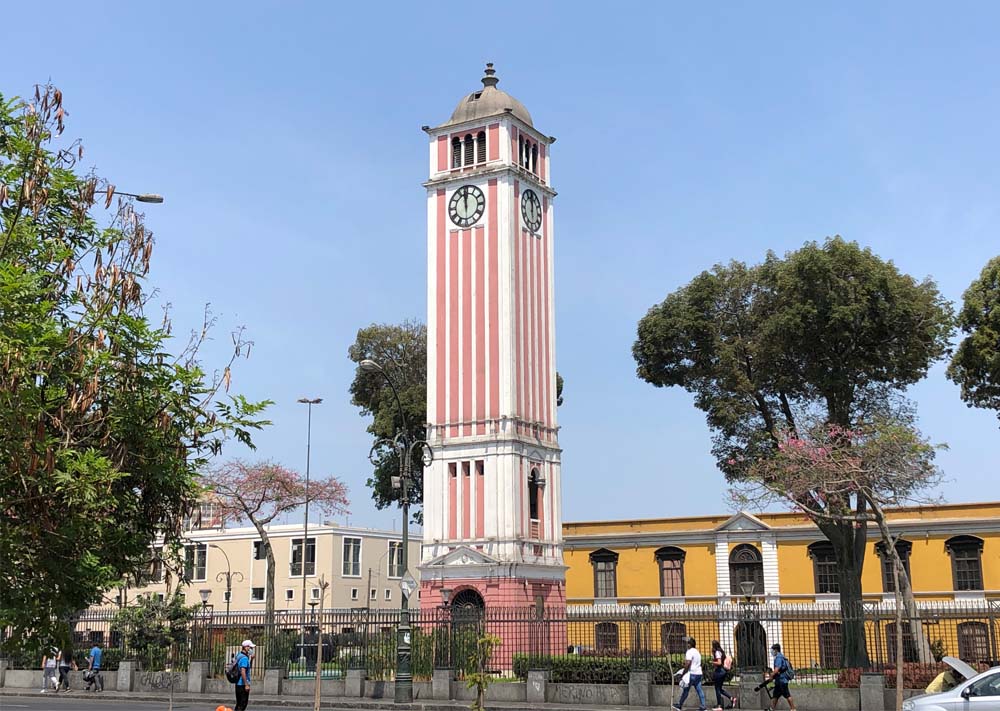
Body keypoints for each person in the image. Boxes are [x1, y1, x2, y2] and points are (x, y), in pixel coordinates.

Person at [673, 636, 707, 711]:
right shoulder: (697, 652)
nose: (686, 644)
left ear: (689, 644)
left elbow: (688, 663)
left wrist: (683, 673)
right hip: (698, 673)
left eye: (687, 643)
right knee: (699, 690)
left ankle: (679, 705)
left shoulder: (689, 652)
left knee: (686, 690)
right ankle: (703, 706)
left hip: (692, 674)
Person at [764, 644, 796, 711]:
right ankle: (772, 708)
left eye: (772, 650)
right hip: (779, 680)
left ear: (776, 650)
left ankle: (793, 709)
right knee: (775, 695)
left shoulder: (779, 658)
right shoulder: (781, 656)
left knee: (787, 695)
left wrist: (771, 676)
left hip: (782, 680)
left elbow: (776, 670)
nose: (772, 652)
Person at [710, 640, 736, 710]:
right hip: (722, 671)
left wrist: (712, 662)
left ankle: (719, 706)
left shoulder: (717, 652)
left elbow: (719, 662)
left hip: (719, 671)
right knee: (720, 689)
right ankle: (732, 698)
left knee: (717, 689)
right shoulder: (721, 651)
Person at [234, 639, 255, 711]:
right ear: (246, 647)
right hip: (242, 685)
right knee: (242, 705)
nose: (251, 649)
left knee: (239, 704)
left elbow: (248, 668)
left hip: (238, 684)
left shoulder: (239, 655)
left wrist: (251, 659)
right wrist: (246, 684)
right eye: (250, 647)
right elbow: (243, 671)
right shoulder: (244, 658)